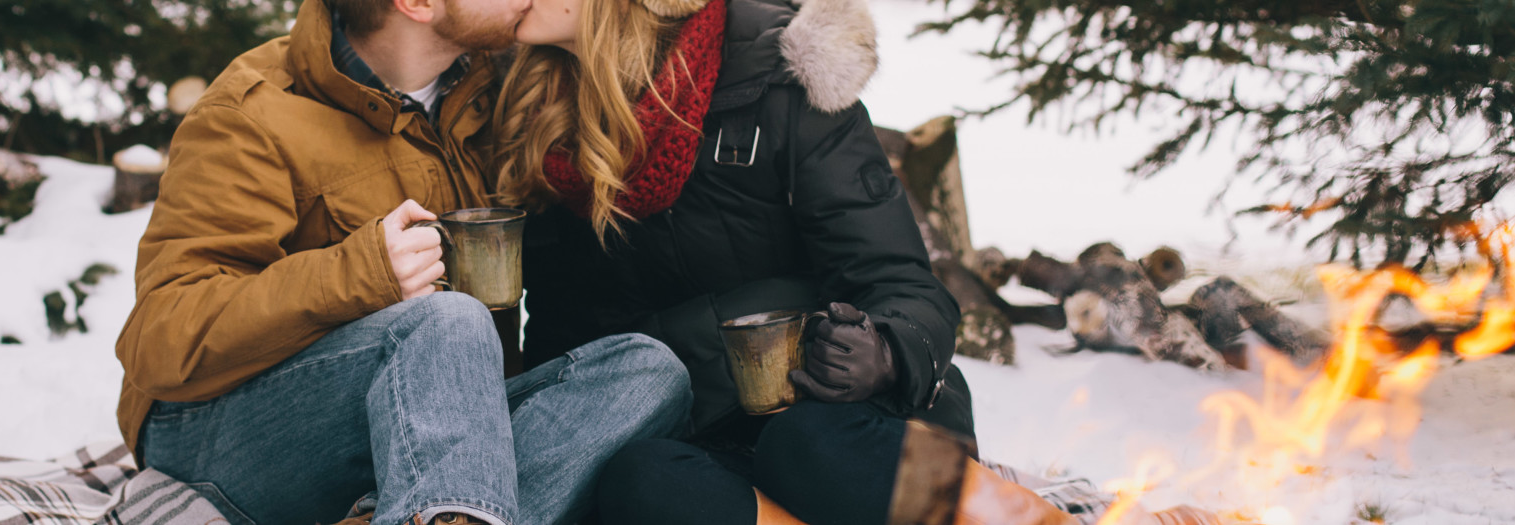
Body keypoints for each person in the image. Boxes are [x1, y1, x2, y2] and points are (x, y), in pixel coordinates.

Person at [489, 0, 1153, 523]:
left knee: (807, 443)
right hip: (707, 435)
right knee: (642, 479)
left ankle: (1028, 520)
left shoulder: (774, 77)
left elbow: (903, 283)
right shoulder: (540, 122)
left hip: (859, 425)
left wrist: (887, 351)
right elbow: (567, 350)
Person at [111, 0, 692, 523]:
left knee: (648, 371)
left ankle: (424, 511)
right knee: (447, 318)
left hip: (433, 419)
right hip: (220, 433)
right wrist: (357, 275)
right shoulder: (252, 113)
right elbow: (160, 337)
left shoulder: (492, 87)